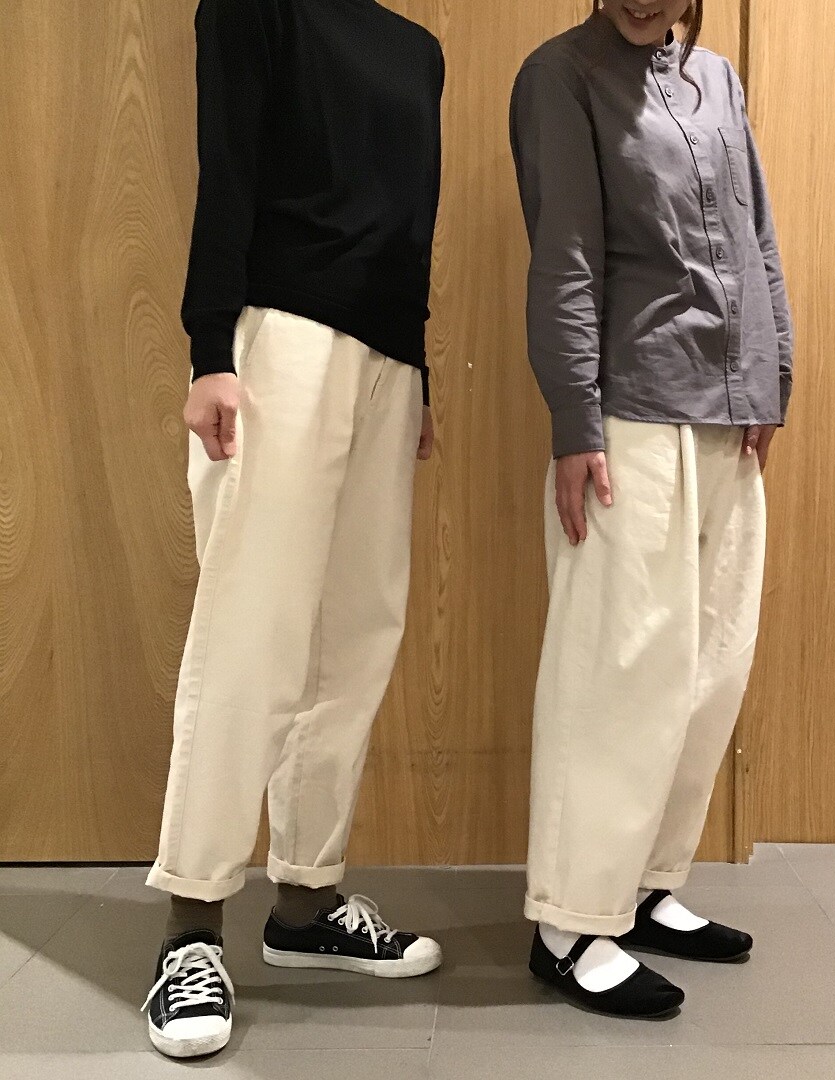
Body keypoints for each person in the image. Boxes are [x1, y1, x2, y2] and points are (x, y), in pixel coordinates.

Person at [140, 0, 445, 1058]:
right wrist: (209, 350)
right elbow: (225, 166)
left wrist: (416, 371)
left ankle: (307, 901)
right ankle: (191, 927)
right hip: (280, 340)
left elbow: (411, 219)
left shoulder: (416, 49)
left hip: (385, 361)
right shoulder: (251, 6)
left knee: (357, 639)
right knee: (251, 635)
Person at [510, 0, 793, 1018]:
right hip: (629, 416)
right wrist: (573, 420)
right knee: (615, 675)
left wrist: (773, 373)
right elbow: (565, 255)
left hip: (730, 413)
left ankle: (642, 888)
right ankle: (568, 923)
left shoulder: (716, 79)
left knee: (710, 670)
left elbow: (757, 236)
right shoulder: (561, 76)